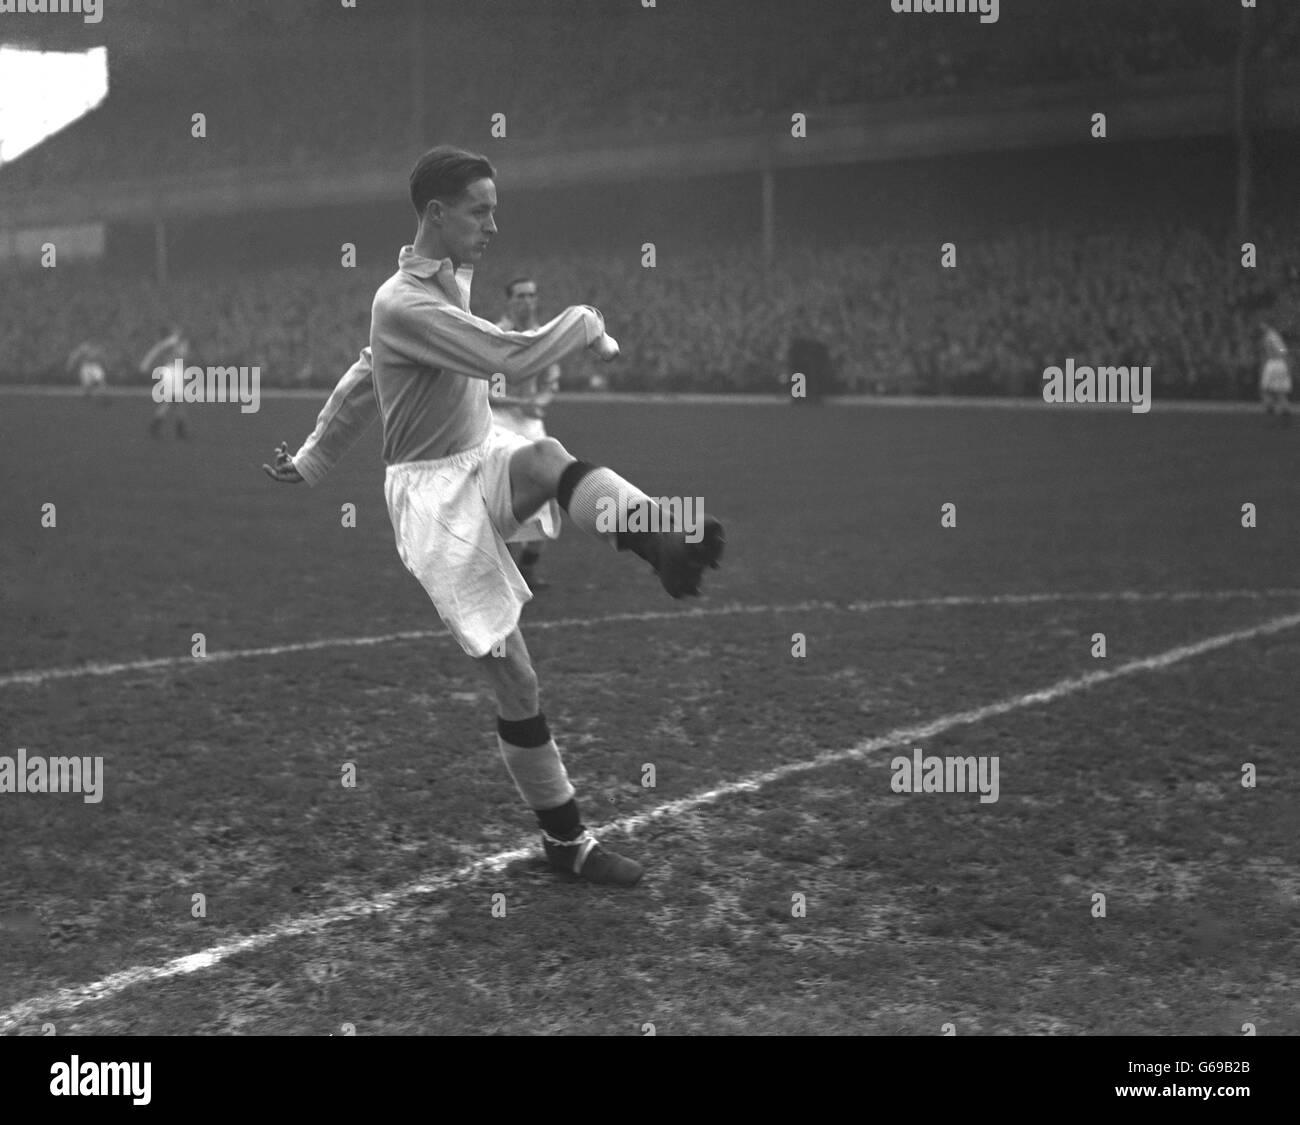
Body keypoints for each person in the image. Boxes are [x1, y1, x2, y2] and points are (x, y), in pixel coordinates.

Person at [262, 146, 724, 888]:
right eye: (481, 209)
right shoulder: (402, 303)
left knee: (546, 457)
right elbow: (504, 354)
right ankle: (566, 842)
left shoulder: (438, 289)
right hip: (430, 502)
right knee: (516, 679)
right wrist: (584, 321)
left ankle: (663, 536)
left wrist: (312, 457)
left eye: (495, 209)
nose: (493, 224)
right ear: (437, 215)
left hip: (478, 455)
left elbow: (359, 376)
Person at [490, 275, 562, 588]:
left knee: (549, 489)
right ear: (509, 301)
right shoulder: (495, 336)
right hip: (500, 423)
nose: (527, 301)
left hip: (531, 422)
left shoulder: (543, 337)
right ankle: (503, 573)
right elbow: (487, 390)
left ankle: (528, 568)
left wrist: (539, 402)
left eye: (531, 296)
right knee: (502, 496)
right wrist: (521, 401)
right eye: (520, 296)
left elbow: (551, 385)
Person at [140, 324, 190, 438]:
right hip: (171, 372)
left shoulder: (184, 342)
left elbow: (183, 359)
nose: (179, 332)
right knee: (173, 400)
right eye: (177, 330)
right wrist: (146, 363)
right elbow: (157, 349)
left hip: (178, 372)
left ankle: (176, 428)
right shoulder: (173, 341)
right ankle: (162, 426)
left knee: (179, 401)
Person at [1259, 325, 1291, 426]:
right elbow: (1283, 351)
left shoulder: (1272, 336)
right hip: (1279, 363)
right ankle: (1283, 415)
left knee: (1266, 390)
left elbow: (1282, 351)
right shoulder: (1272, 336)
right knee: (1278, 392)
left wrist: (1279, 355)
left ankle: (1272, 414)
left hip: (1274, 364)